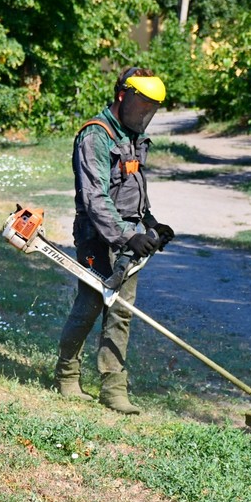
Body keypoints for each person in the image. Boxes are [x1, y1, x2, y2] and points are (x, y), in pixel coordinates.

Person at [55, 67, 174, 414]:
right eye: (142, 107)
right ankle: (66, 374)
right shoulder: (96, 135)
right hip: (97, 236)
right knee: (91, 303)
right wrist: (127, 235)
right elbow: (95, 198)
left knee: (122, 311)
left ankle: (113, 388)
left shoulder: (133, 135)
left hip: (130, 236)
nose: (146, 116)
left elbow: (133, 184)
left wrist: (149, 221)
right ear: (123, 96)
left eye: (152, 110)